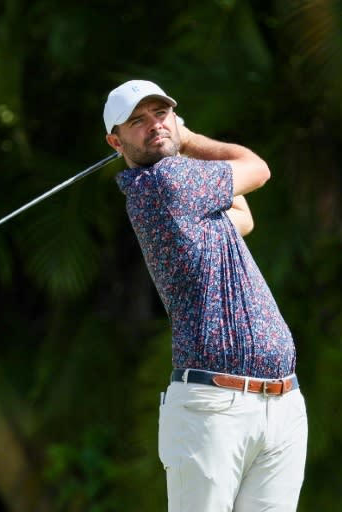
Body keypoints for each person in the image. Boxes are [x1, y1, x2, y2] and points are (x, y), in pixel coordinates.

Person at [103, 79, 307, 511]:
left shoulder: (187, 195)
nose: (154, 125)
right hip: (215, 407)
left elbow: (242, 218)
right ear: (115, 141)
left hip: (280, 403)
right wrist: (188, 137)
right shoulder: (164, 182)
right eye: (138, 121)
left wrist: (175, 139)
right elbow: (257, 168)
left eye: (161, 114)